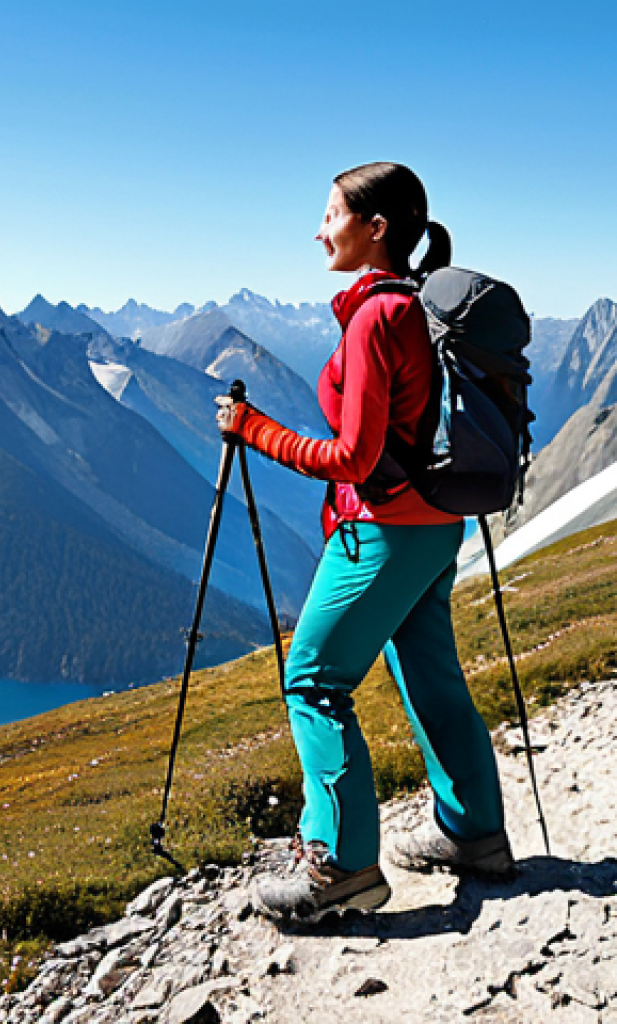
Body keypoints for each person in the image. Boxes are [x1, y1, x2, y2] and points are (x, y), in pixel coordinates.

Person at [216, 161, 515, 922]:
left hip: (380, 530)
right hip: (434, 527)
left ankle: (340, 866)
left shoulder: (378, 316)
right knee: (430, 677)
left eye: (330, 214)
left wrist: (255, 430)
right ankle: (473, 832)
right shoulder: (410, 306)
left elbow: (351, 457)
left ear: (374, 227)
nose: (320, 230)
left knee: (313, 680)